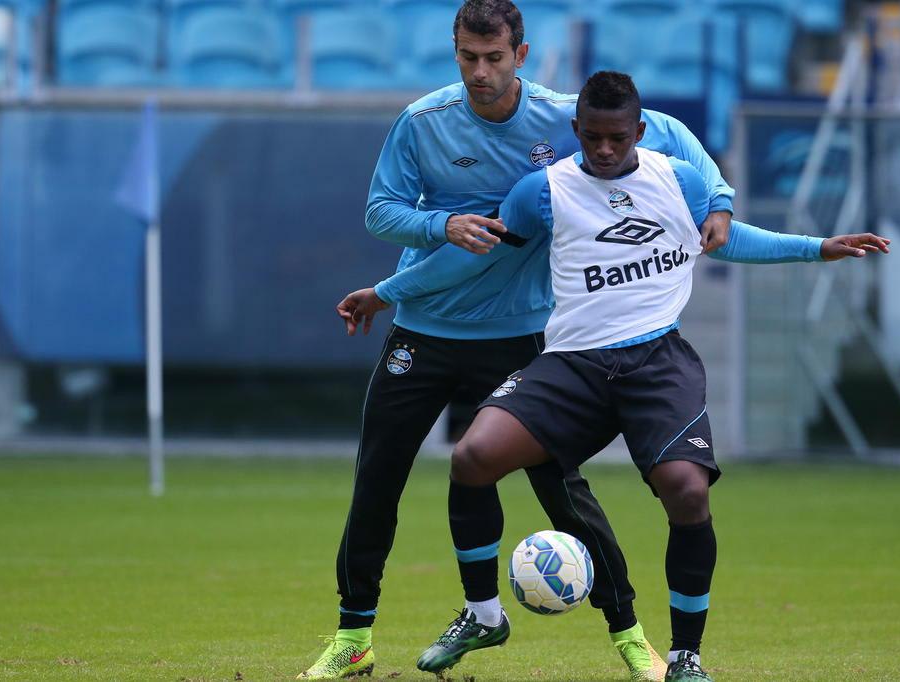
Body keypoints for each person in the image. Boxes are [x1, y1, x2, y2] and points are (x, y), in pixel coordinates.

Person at [338, 71, 890, 680]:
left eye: (617, 139)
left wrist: (816, 247)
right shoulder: (540, 191)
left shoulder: (675, 180)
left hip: (657, 363)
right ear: (576, 130)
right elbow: (470, 261)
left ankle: (684, 657)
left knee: (687, 491)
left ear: (640, 134)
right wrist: (385, 292)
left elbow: (726, 241)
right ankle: (484, 614)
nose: (604, 150)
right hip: (571, 364)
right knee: (472, 457)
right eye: (593, 137)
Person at [298, 1, 736, 679]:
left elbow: (671, 135)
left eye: (493, 58)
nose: (480, 72)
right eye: (467, 57)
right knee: (376, 485)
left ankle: (631, 637)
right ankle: (354, 637)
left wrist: (721, 199)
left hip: (519, 337)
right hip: (425, 332)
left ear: (520, 56)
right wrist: (441, 226)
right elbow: (380, 212)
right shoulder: (422, 122)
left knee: (563, 492)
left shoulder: (561, 120)